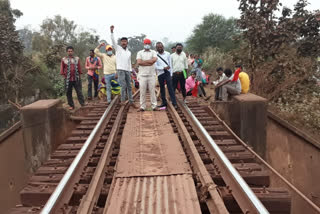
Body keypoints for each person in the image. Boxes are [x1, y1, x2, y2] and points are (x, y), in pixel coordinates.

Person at [110, 25, 136, 107]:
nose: (124, 42)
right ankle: (123, 101)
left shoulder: (129, 52)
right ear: (121, 43)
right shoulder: (118, 49)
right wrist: (111, 32)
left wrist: (131, 71)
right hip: (120, 70)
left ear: (127, 42)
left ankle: (131, 101)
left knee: (129, 86)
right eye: (122, 41)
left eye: (125, 41)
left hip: (127, 70)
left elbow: (129, 62)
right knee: (123, 86)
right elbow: (113, 41)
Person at [136, 38, 158, 111]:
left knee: (152, 91)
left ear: (150, 44)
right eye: (146, 43)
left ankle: (154, 106)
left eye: (148, 43)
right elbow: (139, 62)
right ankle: (142, 106)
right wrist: (150, 62)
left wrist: (144, 62)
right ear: (143, 44)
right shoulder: (140, 53)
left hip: (151, 74)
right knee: (142, 91)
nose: (147, 45)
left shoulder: (153, 52)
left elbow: (154, 60)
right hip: (142, 75)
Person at [155, 42, 177, 108]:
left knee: (170, 88)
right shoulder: (155, 55)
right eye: (158, 47)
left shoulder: (168, 54)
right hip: (160, 73)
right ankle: (164, 102)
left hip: (167, 73)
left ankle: (174, 103)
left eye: (161, 47)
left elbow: (170, 64)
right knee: (162, 88)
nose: (160, 48)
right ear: (156, 48)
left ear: (163, 47)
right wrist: (163, 68)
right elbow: (155, 66)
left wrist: (171, 74)